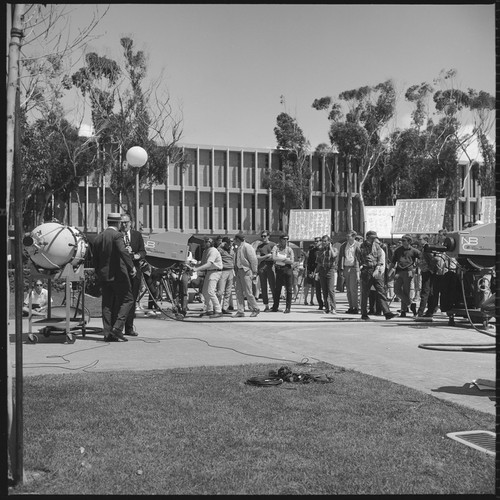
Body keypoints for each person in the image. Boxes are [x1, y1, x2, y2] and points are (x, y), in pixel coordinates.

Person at [93, 212, 137, 342]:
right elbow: (123, 251)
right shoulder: (117, 235)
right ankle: (118, 328)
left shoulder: (99, 237)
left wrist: (98, 272)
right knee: (128, 299)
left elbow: (94, 259)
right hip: (118, 275)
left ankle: (108, 334)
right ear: (118, 223)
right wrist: (131, 267)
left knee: (106, 304)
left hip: (104, 276)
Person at [355, 230, 396, 321]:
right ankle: (364, 314)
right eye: (372, 238)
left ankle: (387, 312)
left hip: (376, 270)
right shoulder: (360, 247)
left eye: (375, 238)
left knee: (381, 291)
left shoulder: (377, 246)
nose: (374, 239)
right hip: (366, 270)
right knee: (365, 293)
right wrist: (359, 273)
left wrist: (377, 269)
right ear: (367, 237)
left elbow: (380, 260)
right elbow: (357, 260)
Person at [121, 213, 147, 335]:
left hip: (135, 272)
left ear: (130, 223)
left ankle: (129, 327)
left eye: (126, 222)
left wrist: (137, 255)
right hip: (121, 272)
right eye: (122, 222)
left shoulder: (137, 235)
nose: (124, 224)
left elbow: (143, 251)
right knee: (121, 300)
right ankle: (118, 327)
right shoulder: (117, 235)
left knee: (132, 300)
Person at [389, 234, 421, 317]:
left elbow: (422, 259)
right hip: (399, 271)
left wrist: (415, 267)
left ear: (409, 241)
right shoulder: (397, 250)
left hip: (409, 271)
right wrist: (389, 273)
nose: (402, 242)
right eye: (401, 240)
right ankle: (411, 304)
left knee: (406, 291)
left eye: (404, 240)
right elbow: (393, 262)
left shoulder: (414, 251)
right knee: (396, 290)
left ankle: (403, 311)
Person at [192, 237, 223, 318]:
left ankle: (218, 311)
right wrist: (192, 266)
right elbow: (202, 263)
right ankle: (209, 310)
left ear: (210, 243)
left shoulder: (213, 250)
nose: (204, 243)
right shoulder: (205, 251)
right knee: (205, 292)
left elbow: (209, 264)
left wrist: (196, 269)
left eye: (206, 242)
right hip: (209, 272)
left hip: (215, 271)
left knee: (210, 292)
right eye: (204, 242)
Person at [233, 232, 260, 317]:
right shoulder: (239, 247)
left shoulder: (247, 247)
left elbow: (253, 259)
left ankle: (255, 308)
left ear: (237, 240)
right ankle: (240, 310)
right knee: (238, 291)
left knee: (248, 292)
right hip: (239, 271)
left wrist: (254, 272)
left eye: (235, 240)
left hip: (246, 271)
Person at [271, 234, 295, 313]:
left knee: (289, 290)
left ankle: (288, 308)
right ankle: (275, 307)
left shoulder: (289, 249)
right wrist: (285, 259)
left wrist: (281, 259)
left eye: (287, 239)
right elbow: (273, 258)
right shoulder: (276, 247)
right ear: (280, 239)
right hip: (279, 269)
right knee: (277, 289)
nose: (285, 241)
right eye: (284, 239)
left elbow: (292, 261)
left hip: (287, 269)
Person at [315, 234, 339, 314]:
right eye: (323, 241)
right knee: (324, 291)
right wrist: (316, 272)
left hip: (330, 270)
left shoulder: (334, 249)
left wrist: (330, 247)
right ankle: (327, 308)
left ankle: (333, 308)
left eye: (325, 241)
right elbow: (318, 262)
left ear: (329, 241)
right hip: (322, 270)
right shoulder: (321, 250)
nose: (324, 243)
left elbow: (334, 256)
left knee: (331, 290)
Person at [338, 230, 360, 314]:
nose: (347, 238)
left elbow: (359, 257)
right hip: (346, 267)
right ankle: (351, 306)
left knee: (353, 289)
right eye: (346, 236)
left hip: (354, 268)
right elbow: (341, 257)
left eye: (349, 236)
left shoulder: (358, 245)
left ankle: (356, 307)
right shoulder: (344, 245)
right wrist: (341, 269)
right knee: (348, 289)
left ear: (353, 237)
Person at [255, 231, 276, 312]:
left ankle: (275, 304)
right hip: (262, 267)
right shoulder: (259, 246)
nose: (263, 237)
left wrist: (263, 257)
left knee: (273, 286)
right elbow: (257, 258)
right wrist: (267, 256)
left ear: (268, 236)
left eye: (264, 236)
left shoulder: (273, 245)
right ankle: (266, 305)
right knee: (263, 287)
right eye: (262, 236)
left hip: (271, 266)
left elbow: (274, 256)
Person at [217, 236, 235, 315]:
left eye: (230, 243)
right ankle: (217, 307)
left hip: (230, 271)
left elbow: (233, 260)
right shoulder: (220, 250)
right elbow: (216, 253)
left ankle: (225, 308)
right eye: (227, 243)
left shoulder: (231, 251)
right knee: (220, 291)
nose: (229, 245)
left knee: (228, 291)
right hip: (223, 271)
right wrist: (220, 245)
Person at [307, 237, 324, 310]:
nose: (316, 243)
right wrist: (310, 271)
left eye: (317, 241)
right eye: (315, 241)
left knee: (325, 289)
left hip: (323, 270)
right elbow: (309, 262)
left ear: (321, 241)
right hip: (315, 272)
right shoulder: (312, 251)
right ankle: (320, 304)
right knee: (317, 289)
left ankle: (327, 304)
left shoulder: (324, 249)